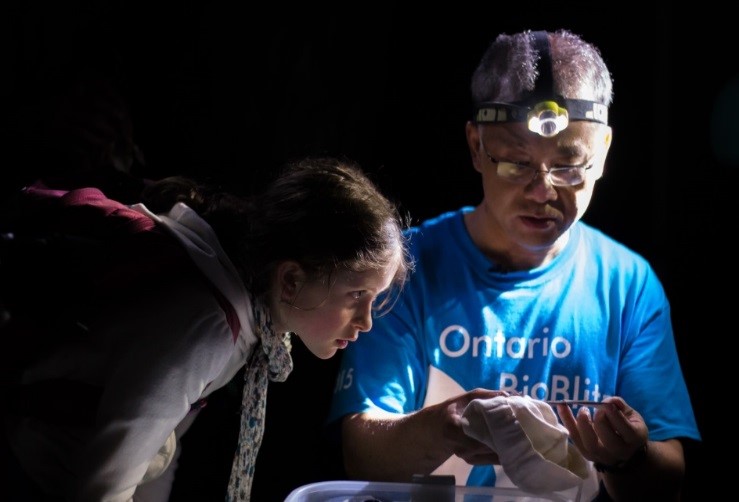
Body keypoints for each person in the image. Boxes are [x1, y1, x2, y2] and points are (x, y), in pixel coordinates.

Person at [326, 29, 701, 501]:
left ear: (603, 152)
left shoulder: (628, 286)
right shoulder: (406, 267)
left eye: (569, 166)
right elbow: (361, 451)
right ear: (476, 147)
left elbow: (667, 478)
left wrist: (627, 456)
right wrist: (446, 427)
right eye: (517, 163)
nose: (543, 190)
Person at [0, 156, 411, 502]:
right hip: (32, 469)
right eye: (356, 294)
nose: (366, 320)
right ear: (290, 280)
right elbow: (102, 482)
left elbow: (157, 444)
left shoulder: (237, 299)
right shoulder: (210, 325)